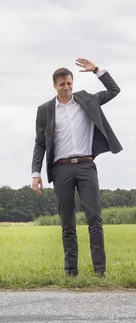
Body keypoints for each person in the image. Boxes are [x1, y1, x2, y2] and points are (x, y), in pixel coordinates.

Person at [31, 58, 122, 277]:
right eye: (62, 84)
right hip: (61, 169)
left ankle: (100, 271)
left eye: (69, 83)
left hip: (86, 166)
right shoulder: (44, 110)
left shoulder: (87, 100)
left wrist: (97, 70)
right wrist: (36, 173)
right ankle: (71, 272)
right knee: (68, 222)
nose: (67, 87)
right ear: (55, 85)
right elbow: (40, 142)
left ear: (73, 82)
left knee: (94, 218)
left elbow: (114, 90)